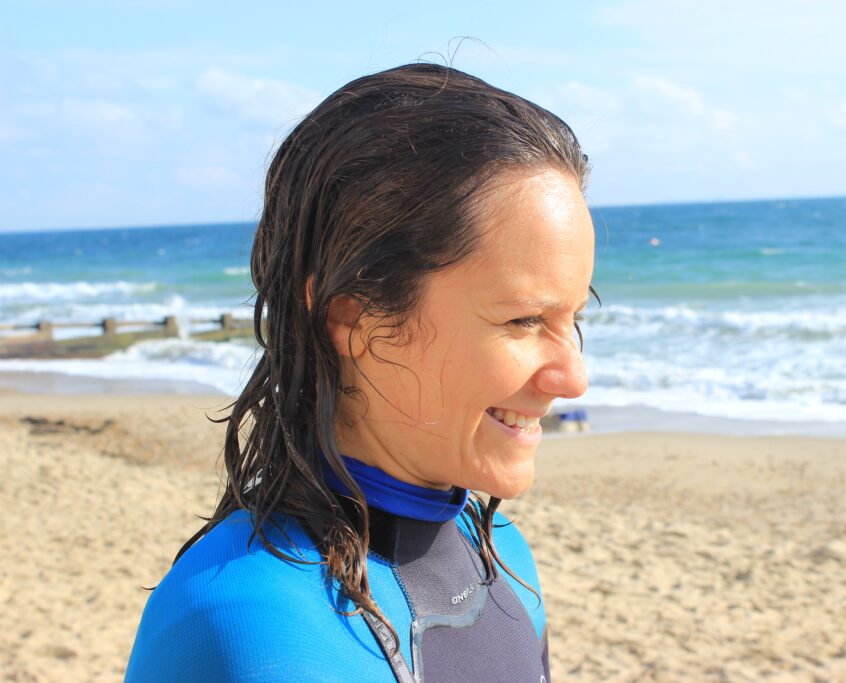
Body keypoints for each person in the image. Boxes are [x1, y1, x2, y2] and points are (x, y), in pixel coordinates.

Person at [124, 62, 595, 683]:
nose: (572, 377)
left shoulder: (504, 559)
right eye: (525, 321)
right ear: (357, 319)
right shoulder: (242, 620)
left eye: (575, 317)